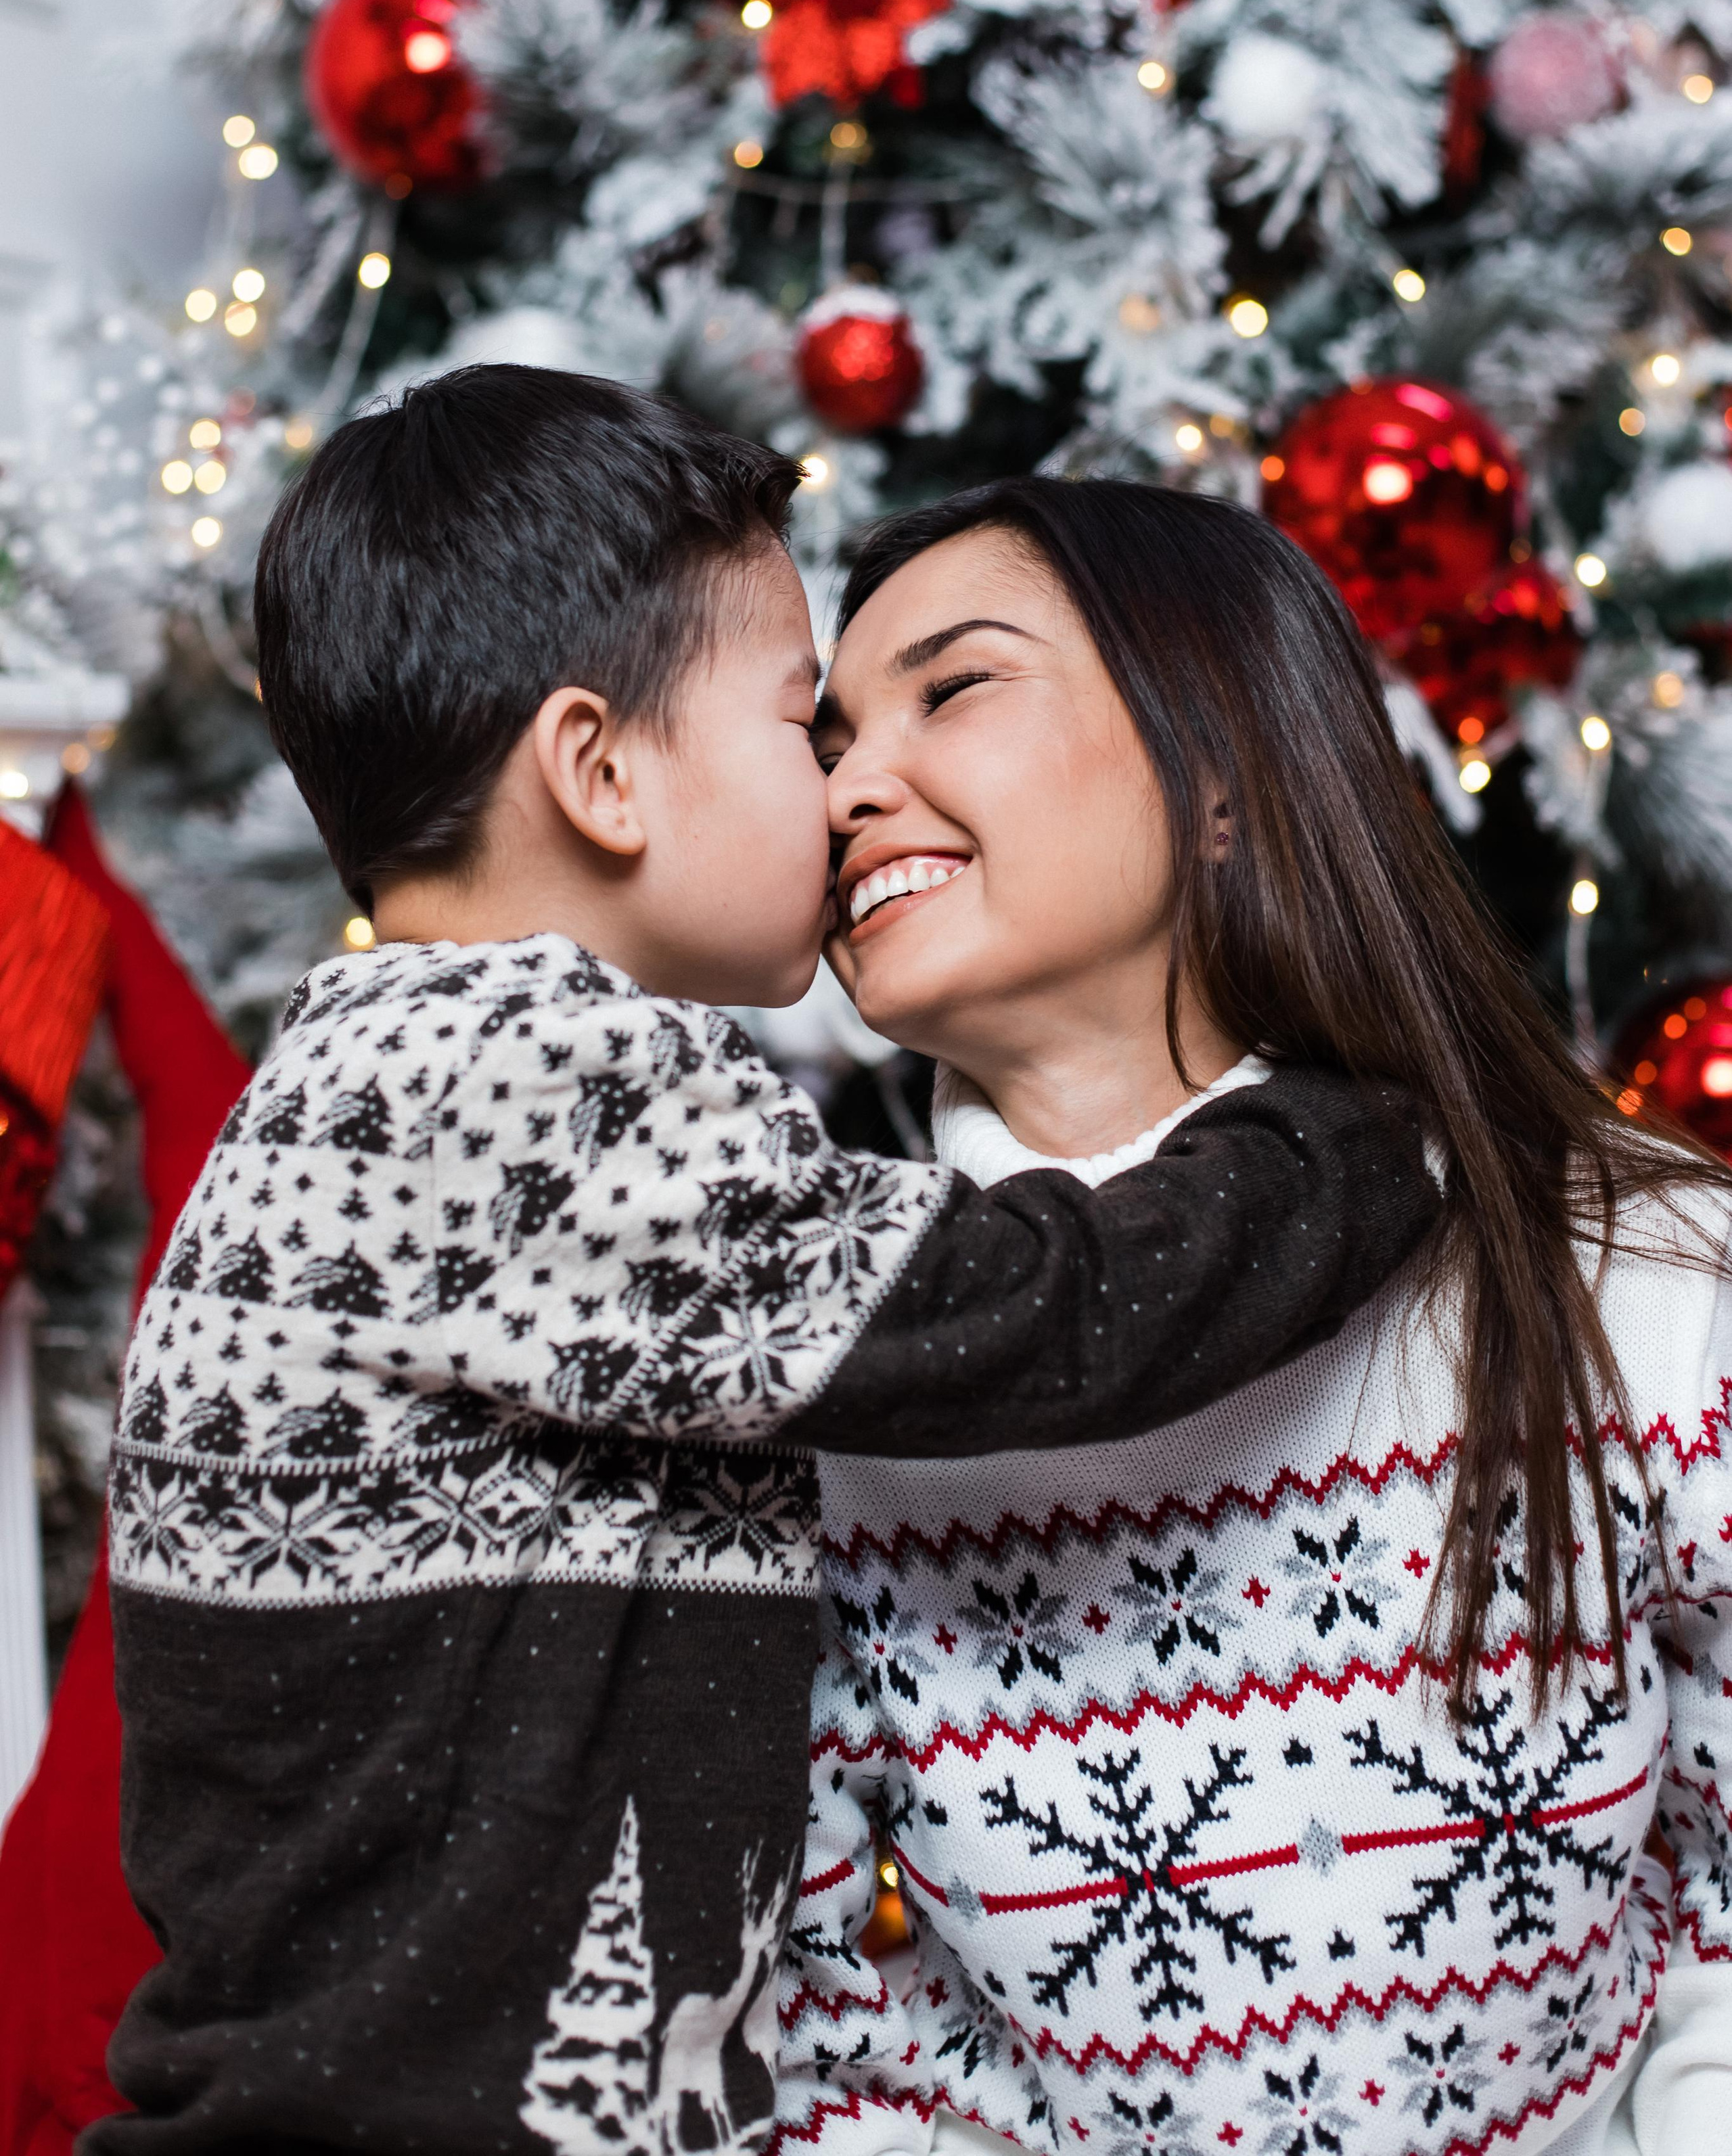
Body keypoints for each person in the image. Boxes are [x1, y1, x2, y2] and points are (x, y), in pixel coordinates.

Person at [94, 374, 1439, 2156]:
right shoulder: (503, 1078)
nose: (845, 794)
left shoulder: (382, 1073)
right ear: (600, 774)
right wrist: (1340, 1148)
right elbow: (1020, 1314)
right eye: (801, 724)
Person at [778, 478, 1732, 2156]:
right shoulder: (808, 1378)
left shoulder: (1628, 1264)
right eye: (828, 734)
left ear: (1218, 774)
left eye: (954, 688)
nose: (848, 787)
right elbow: (788, 2019)